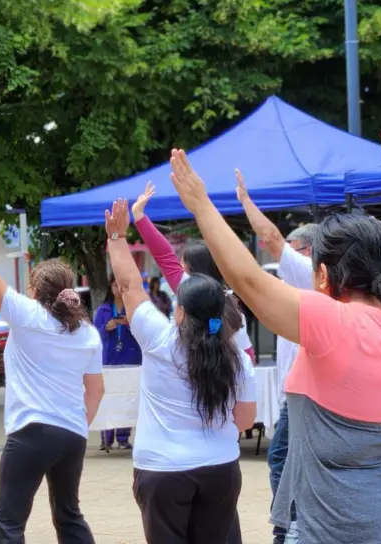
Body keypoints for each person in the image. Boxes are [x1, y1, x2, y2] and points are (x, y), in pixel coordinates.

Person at [169, 145, 381, 543]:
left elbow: (250, 281)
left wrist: (202, 206)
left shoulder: (332, 320)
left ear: (322, 275)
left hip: (326, 524)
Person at [0, 189, 103, 543]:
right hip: (72, 434)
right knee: (69, 515)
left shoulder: (28, 316)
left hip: (31, 431)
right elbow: (96, 390)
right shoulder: (88, 333)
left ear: (35, 291)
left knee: (9, 521)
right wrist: (75, 424)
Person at [106, 198, 256, 542]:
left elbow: (129, 285)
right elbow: (245, 421)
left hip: (163, 470)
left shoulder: (158, 340)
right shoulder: (238, 358)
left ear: (181, 312)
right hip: (220, 468)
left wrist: (116, 237)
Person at [235, 170, 317, 543]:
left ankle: (290, 529)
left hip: (302, 395)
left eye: (294, 249)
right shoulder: (303, 285)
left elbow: (270, 238)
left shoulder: (306, 275)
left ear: (307, 252)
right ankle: (294, 526)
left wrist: (246, 202)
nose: (287, 254)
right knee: (289, 461)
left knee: (281, 459)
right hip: (297, 392)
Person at [130, 182, 256, 364]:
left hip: (187, 373)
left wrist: (139, 216)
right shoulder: (233, 307)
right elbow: (248, 356)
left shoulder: (187, 286)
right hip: (225, 378)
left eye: (182, 263)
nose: (179, 267)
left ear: (190, 268)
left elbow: (163, 254)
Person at [93, 273, 142, 451]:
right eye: (115, 286)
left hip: (130, 358)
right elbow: (95, 334)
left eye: (121, 286)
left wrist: (128, 324)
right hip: (109, 360)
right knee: (108, 398)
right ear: (110, 287)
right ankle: (106, 438)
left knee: (127, 397)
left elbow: (143, 332)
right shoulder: (104, 309)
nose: (118, 290)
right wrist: (107, 327)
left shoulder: (134, 308)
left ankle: (123, 438)